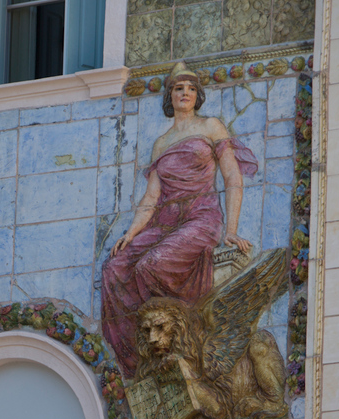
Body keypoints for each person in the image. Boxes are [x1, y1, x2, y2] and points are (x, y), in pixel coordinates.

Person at [101, 62, 258, 379]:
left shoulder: (211, 126)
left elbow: (232, 177)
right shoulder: (161, 143)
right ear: (169, 96)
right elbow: (151, 198)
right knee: (113, 268)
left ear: (197, 96)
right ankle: (137, 358)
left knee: (150, 265)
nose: (184, 93)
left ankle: (181, 338)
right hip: (164, 221)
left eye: (190, 88)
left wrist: (230, 230)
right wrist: (131, 234)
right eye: (177, 88)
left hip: (201, 217)